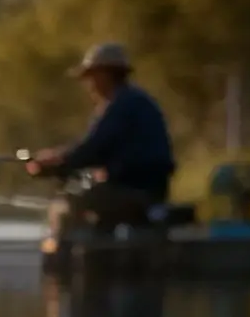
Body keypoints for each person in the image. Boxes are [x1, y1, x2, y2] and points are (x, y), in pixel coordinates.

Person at [26, 43, 176, 232]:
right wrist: (60, 161)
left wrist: (53, 162)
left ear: (105, 74)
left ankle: (79, 250)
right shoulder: (133, 100)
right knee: (92, 198)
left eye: (90, 76)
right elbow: (97, 149)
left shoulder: (122, 104)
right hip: (148, 190)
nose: (88, 84)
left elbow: (92, 149)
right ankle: (98, 245)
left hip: (137, 193)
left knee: (72, 201)